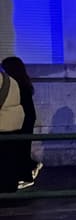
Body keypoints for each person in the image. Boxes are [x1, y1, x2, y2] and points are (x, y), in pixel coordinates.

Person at [2, 57, 43, 189]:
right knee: (21, 149)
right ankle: (27, 171)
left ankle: (26, 173)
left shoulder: (14, 84)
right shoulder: (23, 83)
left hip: (21, 121)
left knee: (18, 150)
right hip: (25, 119)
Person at [0, 66, 26, 193]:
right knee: (10, 162)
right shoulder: (11, 80)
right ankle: (10, 191)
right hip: (14, 126)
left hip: (2, 125)